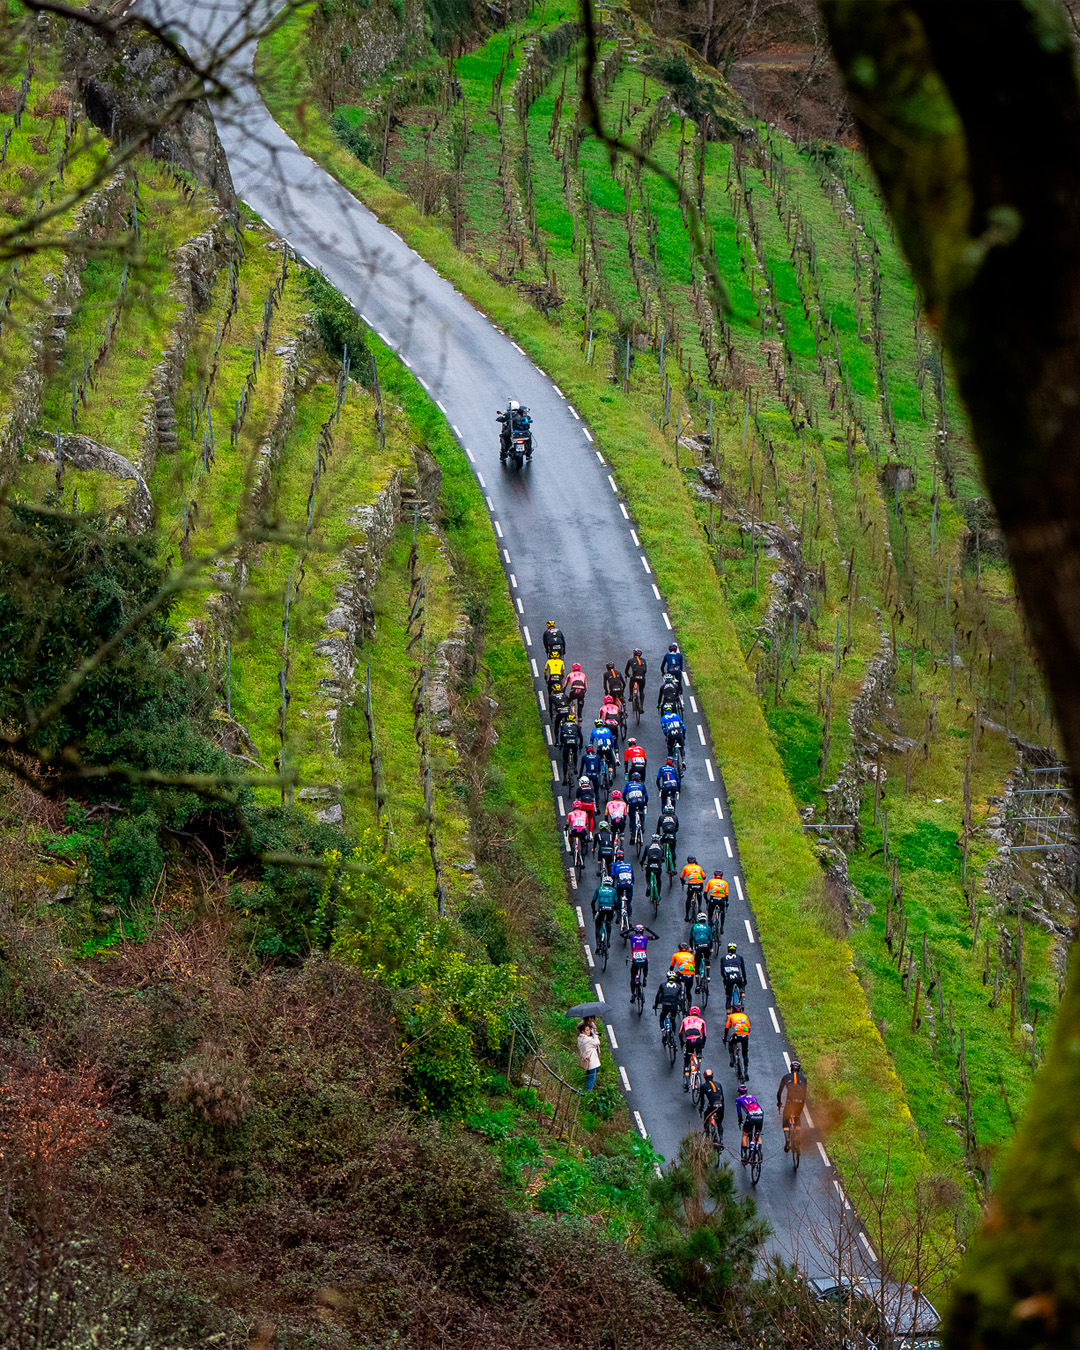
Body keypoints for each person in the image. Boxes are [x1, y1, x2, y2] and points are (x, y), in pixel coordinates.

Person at [777, 1060, 808, 1152]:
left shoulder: (786, 1077)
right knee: (797, 1117)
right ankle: (797, 1136)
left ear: (791, 1068)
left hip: (790, 1101)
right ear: (799, 1069)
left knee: (786, 1120)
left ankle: (787, 1140)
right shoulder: (804, 1079)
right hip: (800, 1101)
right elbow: (805, 1093)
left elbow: (779, 1093)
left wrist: (779, 1102)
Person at [679, 1004, 707, 1089]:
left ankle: (687, 1080)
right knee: (699, 1052)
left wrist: (682, 1043)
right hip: (698, 1040)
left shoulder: (685, 1020)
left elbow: (680, 1033)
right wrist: (702, 1045)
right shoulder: (701, 1021)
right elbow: (704, 1035)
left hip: (689, 1040)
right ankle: (698, 1064)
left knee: (687, 1059)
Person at [735, 1084, 764, 1165]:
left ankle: (744, 1157)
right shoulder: (752, 1097)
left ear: (738, 1093)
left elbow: (739, 1112)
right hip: (760, 1114)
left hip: (751, 1116)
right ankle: (759, 1151)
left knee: (745, 1135)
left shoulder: (738, 1099)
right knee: (757, 1134)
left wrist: (740, 1120)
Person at [628, 923, 659, 997]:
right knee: (645, 965)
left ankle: (633, 994)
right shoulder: (645, 937)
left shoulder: (632, 936)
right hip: (643, 960)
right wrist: (649, 930)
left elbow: (621, 934)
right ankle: (645, 978)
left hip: (635, 961)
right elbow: (657, 937)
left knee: (633, 977)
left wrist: (630, 929)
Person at [653, 968, 683, 1042]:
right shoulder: (678, 986)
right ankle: (673, 1034)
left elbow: (658, 996)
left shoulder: (663, 985)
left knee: (662, 1018)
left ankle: (663, 1031)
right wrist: (681, 1007)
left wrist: (656, 1005)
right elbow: (680, 998)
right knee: (673, 1020)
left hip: (665, 1005)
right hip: (674, 1005)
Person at [591, 877, 618, 954]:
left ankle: (598, 946)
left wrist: (594, 911)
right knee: (608, 922)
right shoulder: (613, 890)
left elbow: (593, 901)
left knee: (598, 926)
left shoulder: (599, 889)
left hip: (601, 909)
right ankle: (608, 941)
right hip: (610, 909)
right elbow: (616, 902)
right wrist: (615, 911)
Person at [721, 942, 748, 1011]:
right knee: (742, 986)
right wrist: (745, 980)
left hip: (729, 979)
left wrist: (725, 979)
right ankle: (742, 999)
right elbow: (743, 971)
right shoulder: (740, 957)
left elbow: (722, 972)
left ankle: (728, 1014)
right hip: (738, 977)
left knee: (728, 998)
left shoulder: (723, 958)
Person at [724, 1004, 750, 1074]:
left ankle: (732, 1059)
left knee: (730, 1043)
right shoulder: (745, 1016)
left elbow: (727, 1028)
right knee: (745, 1053)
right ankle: (746, 1072)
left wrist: (724, 1038)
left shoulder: (731, 1016)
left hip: (736, 1035)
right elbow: (749, 1029)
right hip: (745, 1035)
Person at [701, 1068, 724, 1144]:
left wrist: (701, 1109)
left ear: (704, 1077)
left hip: (712, 1105)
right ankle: (721, 1138)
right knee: (719, 1122)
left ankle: (707, 1137)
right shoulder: (719, 1084)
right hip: (721, 1105)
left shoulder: (703, 1086)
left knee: (706, 1117)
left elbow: (702, 1100)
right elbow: (722, 1097)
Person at [680, 854, 706, 922]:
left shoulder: (685, 867)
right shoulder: (699, 867)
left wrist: (683, 882)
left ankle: (687, 915)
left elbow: (681, 877)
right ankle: (700, 907)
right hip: (699, 884)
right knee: (699, 893)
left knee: (689, 898)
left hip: (691, 884)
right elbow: (704, 877)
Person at [578, 1018, 601, 1092]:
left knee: (588, 1076)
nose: (589, 1031)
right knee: (591, 1078)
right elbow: (597, 1042)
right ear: (583, 1031)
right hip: (592, 1062)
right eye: (587, 1030)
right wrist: (594, 1035)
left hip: (586, 1060)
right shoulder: (588, 1040)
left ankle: (587, 1091)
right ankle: (588, 1093)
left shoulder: (580, 1039)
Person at [670, 942, 696, 1008]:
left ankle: (679, 992)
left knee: (676, 979)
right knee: (688, 991)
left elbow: (672, 966)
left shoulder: (675, 955)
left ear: (679, 949)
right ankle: (689, 1005)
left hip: (682, 973)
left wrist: (670, 972)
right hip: (690, 974)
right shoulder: (691, 955)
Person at [559, 711, 582, 786]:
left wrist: (561, 743)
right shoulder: (576, 726)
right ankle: (575, 767)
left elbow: (561, 736)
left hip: (566, 741)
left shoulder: (564, 725)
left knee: (565, 761)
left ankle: (565, 778)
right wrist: (580, 745)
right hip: (574, 741)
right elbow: (581, 736)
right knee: (575, 752)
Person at [612, 849, 634, 924]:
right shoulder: (629, 864)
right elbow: (633, 876)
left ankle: (618, 916)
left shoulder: (614, 865)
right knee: (629, 903)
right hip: (629, 884)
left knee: (618, 900)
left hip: (621, 884)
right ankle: (629, 919)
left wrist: (613, 887)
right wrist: (632, 883)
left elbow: (612, 876)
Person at [704, 870, 729, 936]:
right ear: (721, 876)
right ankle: (721, 927)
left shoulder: (710, 881)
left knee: (710, 914)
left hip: (713, 899)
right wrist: (727, 902)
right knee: (722, 912)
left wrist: (707, 900)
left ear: (714, 875)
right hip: (722, 899)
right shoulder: (725, 883)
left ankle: (710, 927)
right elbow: (726, 895)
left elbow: (705, 892)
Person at [690, 910, 713, 980]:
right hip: (706, 945)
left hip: (698, 946)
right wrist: (711, 948)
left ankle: (697, 984)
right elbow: (711, 939)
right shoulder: (708, 927)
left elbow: (691, 938)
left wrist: (691, 947)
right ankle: (708, 976)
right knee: (707, 959)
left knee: (696, 964)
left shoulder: (694, 926)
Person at [624, 776, 648, 840]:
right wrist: (645, 803)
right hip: (640, 800)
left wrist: (627, 802)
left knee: (632, 818)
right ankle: (642, 824)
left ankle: (632, 834)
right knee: (641, 812)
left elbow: (624, 795)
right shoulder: (642, 784)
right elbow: (646, 795)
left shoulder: (628, 784)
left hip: (632, 801)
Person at [642, 831, 664, 901]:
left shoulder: (647, 846)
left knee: (648, 874)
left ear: (651, 841)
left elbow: (644, 857)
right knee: (658, 878)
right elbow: (663, 858)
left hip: (650, 865)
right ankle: (659, 894)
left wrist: (641, 862)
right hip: (658, 865)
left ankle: (648, 886)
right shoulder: (661, 847)